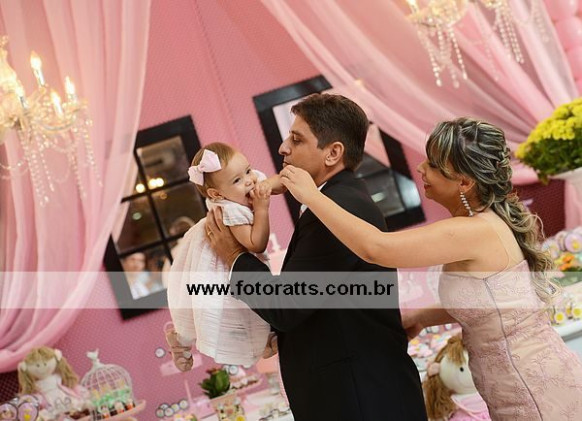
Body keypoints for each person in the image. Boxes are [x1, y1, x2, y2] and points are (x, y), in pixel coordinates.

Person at [279, 117, 582, 420]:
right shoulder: (479, 225)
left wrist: (312, 196)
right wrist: (422, 317)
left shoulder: (472, 231)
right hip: (513, 385)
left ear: (464, 182)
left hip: (533, 387)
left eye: (434, 165)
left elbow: (376, 249)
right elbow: (493, 305)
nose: (421, 168)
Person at [206, 94, 427, 421]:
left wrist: (234, 255)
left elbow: (286, 304)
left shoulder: (338, 208)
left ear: (333, 153)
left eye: (296, 139)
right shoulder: (338, 199)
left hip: (361, 399)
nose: (283, 147)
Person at [165, 142, 278, 371]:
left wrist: (271, 184)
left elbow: (267, 180)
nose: (249, 181)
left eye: (248, 170)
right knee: (226, 311)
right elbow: (257, 243)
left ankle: (264, 339)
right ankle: (181, 341)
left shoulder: (245, 187)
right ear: (217, 194)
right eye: (237, 180)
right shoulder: (230, 211)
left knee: (248, 304)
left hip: (234, 268)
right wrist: (262, 209)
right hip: (220, 272)